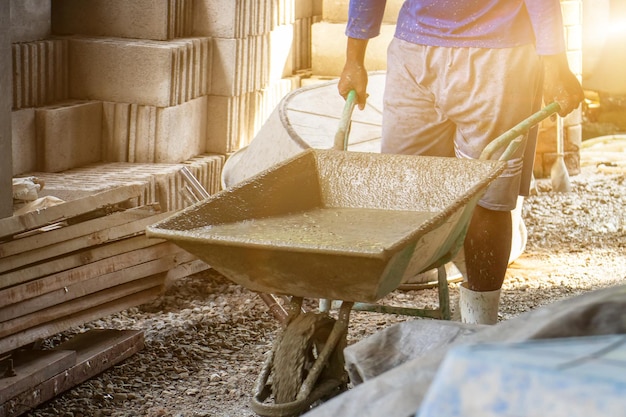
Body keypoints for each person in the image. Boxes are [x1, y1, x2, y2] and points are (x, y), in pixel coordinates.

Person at [338, 0, 584, 324]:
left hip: (500, 53)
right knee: (405, 188)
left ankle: (479, 322)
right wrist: (353, 58)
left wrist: (554, 63)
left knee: (488, 197)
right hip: (414, 50)